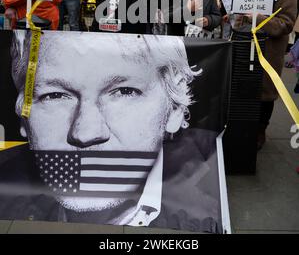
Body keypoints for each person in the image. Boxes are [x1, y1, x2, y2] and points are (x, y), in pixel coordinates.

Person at [0, 31, 224, 233]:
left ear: (174, 110)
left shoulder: (210, 209)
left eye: (124, 91)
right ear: (24, 115)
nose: (85, 133)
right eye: (55, 95)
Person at [234, 0, 297, 149]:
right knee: (243, 90)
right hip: (245, 47)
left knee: (265, 94)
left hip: (269, 51)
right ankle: (242, 127)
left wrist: (257, 18)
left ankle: (261, 130)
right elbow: (240, 16)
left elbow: (285, 25)